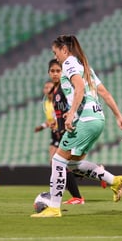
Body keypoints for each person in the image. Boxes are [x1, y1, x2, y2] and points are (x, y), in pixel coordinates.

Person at [31, 35, 122, 218]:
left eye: (56, 52)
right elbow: (104, 93)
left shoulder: (69, 64)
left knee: (58, 161)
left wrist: (70, 116)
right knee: (74, 164)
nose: (56, 57)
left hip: (83, 120)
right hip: (97, 120)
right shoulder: (85, 67)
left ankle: (53, 207)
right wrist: (118, 116)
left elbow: (79, 89)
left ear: (64, 50)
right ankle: (114, 181)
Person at [35, 61, 85, 205]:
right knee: (60, 163)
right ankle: (71, 192)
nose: (47, 88)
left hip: (65, 129)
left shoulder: (62, 91)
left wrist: (63, 122)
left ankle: (73, 195)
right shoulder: (48, 100)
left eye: (58, 71)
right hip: (56, 131)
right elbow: (53, 117)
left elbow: (69, 108)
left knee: (59, 163)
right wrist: (46, 125)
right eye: (53, 71)